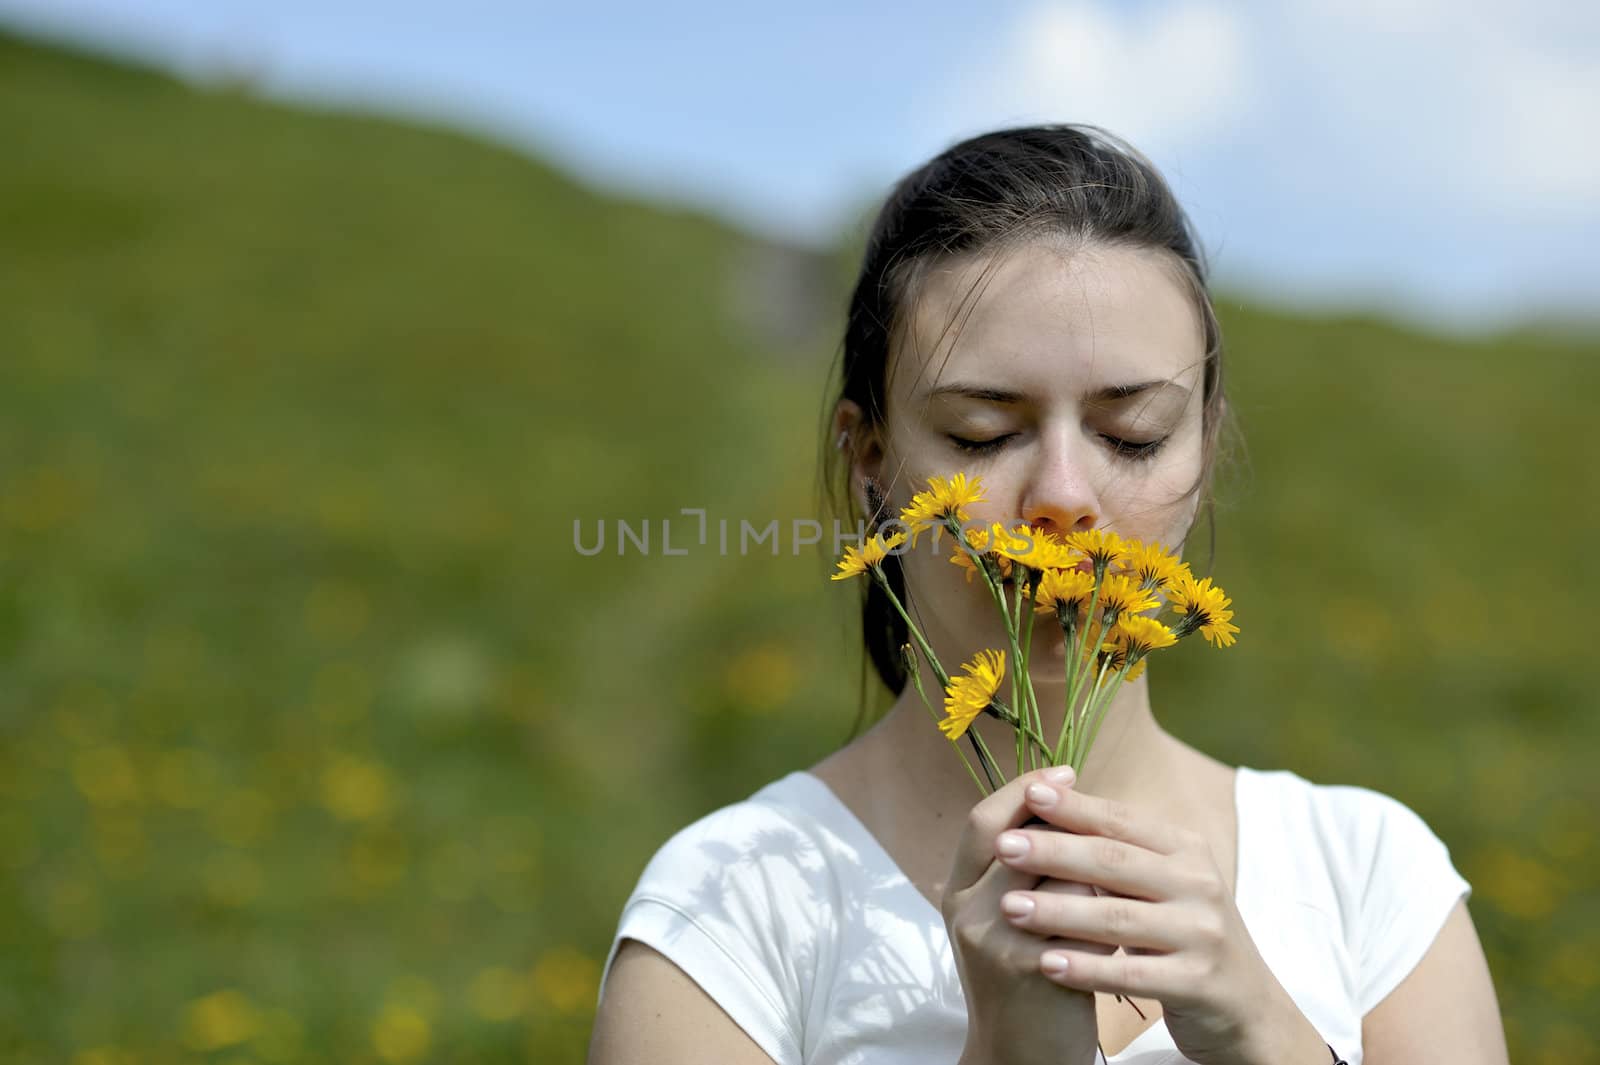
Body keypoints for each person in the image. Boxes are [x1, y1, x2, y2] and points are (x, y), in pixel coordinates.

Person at [587, 125, 1508, 1065]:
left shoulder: (1369, 880)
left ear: (1204, 445)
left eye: (1134, 433)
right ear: (871, 459)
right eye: (983, 433)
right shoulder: (728, 911)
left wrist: (1267, 1031)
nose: (1063, 495)